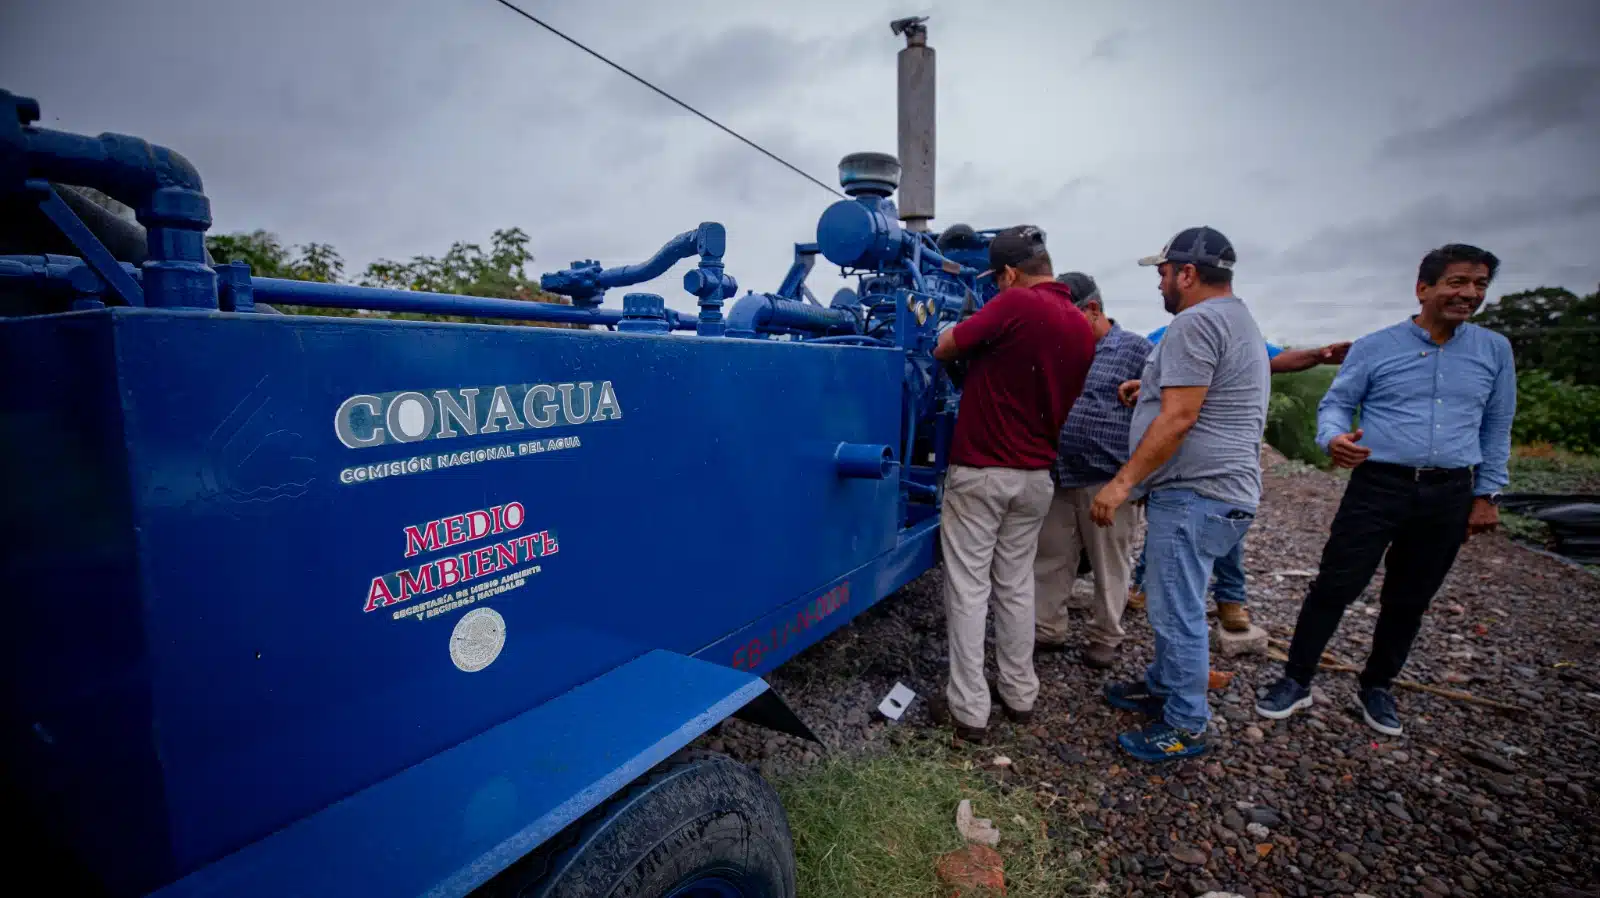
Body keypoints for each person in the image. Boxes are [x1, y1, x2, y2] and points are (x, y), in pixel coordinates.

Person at [1255, 243, 1515, 737]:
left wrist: (1487, 495)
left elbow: (1497, 426)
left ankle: (1377, 686)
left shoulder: (1493, 351)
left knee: (1410, 598)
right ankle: (1295, 679)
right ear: (1424, 288)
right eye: (1457, 282)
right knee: (1335, 585)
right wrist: (1332, 437)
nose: (1469, 294)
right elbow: (1336, 404)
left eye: (1479, 285)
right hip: (1379, 484)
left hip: (1449, 491)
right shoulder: (1377, 346)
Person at [1089, 226, 1270, 762]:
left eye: (1164, 273)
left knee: (1176, 609)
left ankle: (1188, 723)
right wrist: (1143, 389)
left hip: (1196, 494)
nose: (1160, 284)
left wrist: (1122, 484)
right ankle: (1166, 686)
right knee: (1176, 597)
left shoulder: (1196, 321)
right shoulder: (1235, 318)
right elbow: (1194, 395)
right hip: (1220, 492)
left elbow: (1181, 417)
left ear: (1188, 274)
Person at [927, 225, 1097, 743]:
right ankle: (1020, 694)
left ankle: (969, 709)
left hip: (983, 473)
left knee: (969, 588)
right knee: (1017, 585)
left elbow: (943, 347)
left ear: (1008, 272)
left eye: (997, 280)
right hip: (1035, 479)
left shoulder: (1016, 304)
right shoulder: (1079, 324)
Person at [1127, 336, 1350, 631]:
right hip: (1174, 454)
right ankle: (1143, 586)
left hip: (1223, 458)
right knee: (1164, 523)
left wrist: (1317, 355)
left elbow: (1276, 361)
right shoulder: (1163, 335)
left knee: (1224, 526)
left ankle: (1230, 599)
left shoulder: (1235, 334)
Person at [1033, 272, 1153, 669]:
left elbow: (1161, 412)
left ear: (1094, 310)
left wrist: (1133, 481)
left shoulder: (1136, 350)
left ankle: (1106, 635)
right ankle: (1047, 628)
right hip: (1060, 473)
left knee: (1109, 562)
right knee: (1051, 556)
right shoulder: (1061, 348)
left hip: (1107, 478)